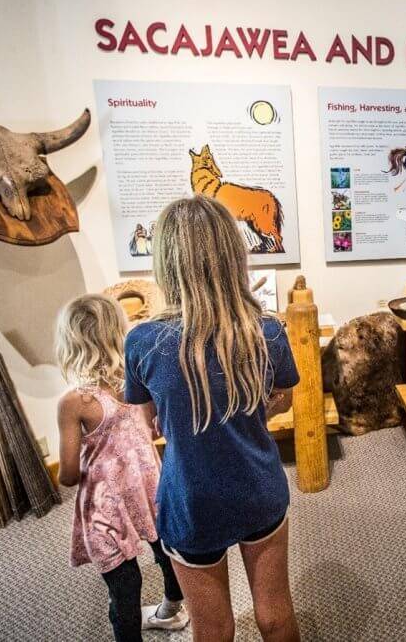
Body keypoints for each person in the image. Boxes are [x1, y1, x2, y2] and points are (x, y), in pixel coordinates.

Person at [124, 196, 301, 642]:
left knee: (213, 629)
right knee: (276, 616)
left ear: (166, 262)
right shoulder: (268, 330)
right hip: (258, 487)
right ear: (232, 254)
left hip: (191, 501)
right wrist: (252, 409)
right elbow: (282, 398)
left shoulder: (143, 341)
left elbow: (149, 424)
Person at [55, 294, 189, 642]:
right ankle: (173, 608)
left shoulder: (75, 402)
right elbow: (156, 425)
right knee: (166, 551)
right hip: (151, 488)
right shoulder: (139, 381)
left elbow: (68, 475)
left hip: (107, 507)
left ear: (70, 341)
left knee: (124, 588)